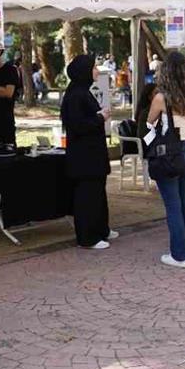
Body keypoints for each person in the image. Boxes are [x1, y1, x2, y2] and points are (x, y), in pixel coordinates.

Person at [146, 51, 185, 267]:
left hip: (170, 152)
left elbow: (149, 122)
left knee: (173, 205)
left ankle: (179, 255)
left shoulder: (162, 97)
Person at [60, 55, 116, 249]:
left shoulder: (84, 91)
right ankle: (88, 237)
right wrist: (99, 118)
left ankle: (102, 229)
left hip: (93, 153)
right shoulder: (76, 95)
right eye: (93, 68)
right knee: (87, 196)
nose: (97, 71)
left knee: (98, 193)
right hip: (84, 156)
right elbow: (77, 125)